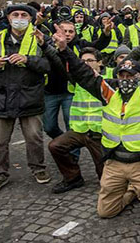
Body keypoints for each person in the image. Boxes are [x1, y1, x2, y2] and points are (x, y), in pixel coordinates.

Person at [53, 20, 140, 221]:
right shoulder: (108, 91)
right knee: (105, 212)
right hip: (114, 163)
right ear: (116, 75)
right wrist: (64, 49)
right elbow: (82, 72)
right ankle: (132, 192)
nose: (126, 79)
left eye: (131, 75)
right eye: (122, 75)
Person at [0, 4, 52, 194]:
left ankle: (38, 168)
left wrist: (28, 60)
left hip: (29, 96)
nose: (19, 17)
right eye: (15, 14)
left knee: (34, 137)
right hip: (1, 96)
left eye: (24, 14)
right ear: (8, 18)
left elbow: (50, 63)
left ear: (31, 19)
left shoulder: (40, 39)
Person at [46, 47, 111, 194]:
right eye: (82, 61)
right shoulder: (76, 79)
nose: (86, 63)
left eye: (90, 60)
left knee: (106, 179)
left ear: (99, 63)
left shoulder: (110, 78)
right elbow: (59, 62)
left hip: (99, 134)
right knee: (55, 146)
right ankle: (73, 178)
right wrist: (46, 45)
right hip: (80, 130)